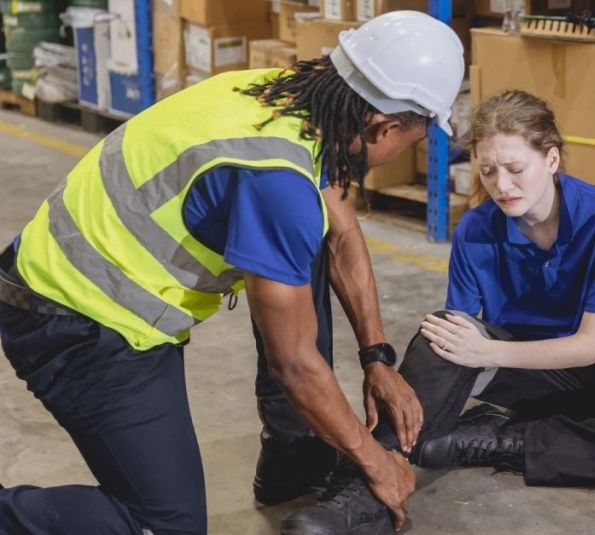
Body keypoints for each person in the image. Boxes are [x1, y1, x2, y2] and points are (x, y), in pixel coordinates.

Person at [0, 11, 464, 534]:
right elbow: (295, 366)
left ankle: (294, 457)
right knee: (163, 527)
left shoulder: (280, 95)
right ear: (383, 125)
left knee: (300, 239)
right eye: (417, 138)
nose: (412, 149)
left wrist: (376, 357)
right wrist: (375, 462)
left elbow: (340, 234)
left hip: (66, 279)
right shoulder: (276, 182)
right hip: (75, 319)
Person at [284, 89, 595, 531]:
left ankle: (497, 439)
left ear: (551, 159)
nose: (502, 186)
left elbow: (588, 347)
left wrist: (487, 354)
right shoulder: (476, 228)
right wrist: (456, 352)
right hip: (530, 375)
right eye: (487, 171)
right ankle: (363, 487)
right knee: (442, 337)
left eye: (515, 169)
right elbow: (458, 339)